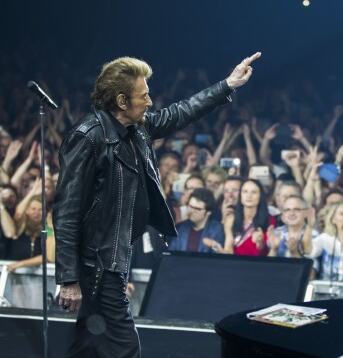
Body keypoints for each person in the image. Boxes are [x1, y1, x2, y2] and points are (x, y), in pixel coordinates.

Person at [53, 52, 261, 357]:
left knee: (87, 344)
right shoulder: (88, 137)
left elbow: (180, 112)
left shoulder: (137, 128)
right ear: (122, 101)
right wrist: (69, 278)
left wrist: (227, 85)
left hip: (114, 255)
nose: (150, 102)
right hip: (96, 262)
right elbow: (66, 211)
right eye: (144, 95)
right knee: (125, 346)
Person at [168, 187, 225, 253]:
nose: (191, 211)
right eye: (190, 206)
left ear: (208, 212)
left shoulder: (217, 230)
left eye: (197, 209)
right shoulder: (179, 228)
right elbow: (171, 255)